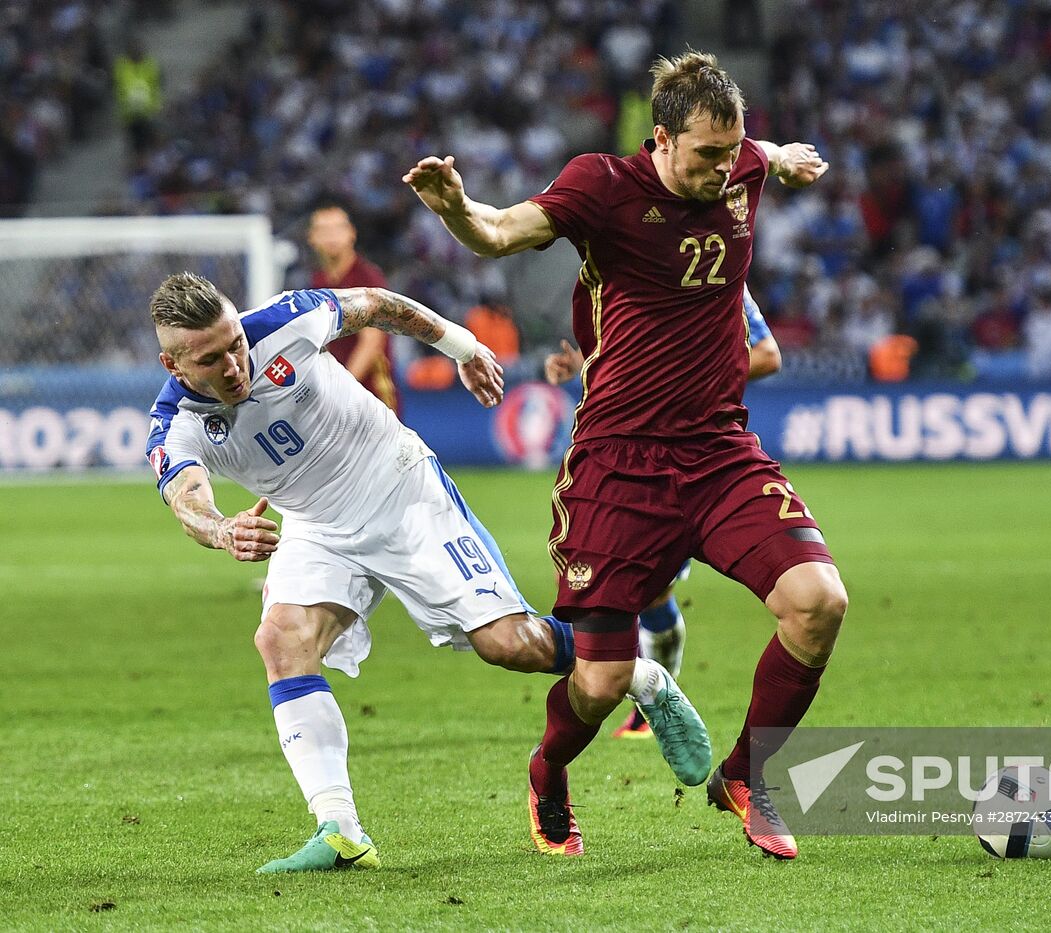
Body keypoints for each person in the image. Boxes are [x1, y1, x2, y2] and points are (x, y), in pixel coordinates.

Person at [405, 50, 847, 860]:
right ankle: (548, 767)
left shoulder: (740, 166)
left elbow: (762, 155)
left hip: (720, 453)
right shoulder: (602, 186)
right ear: (662, 139)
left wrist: (785, 158)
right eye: (708, 154)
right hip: (619, 465)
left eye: (734, 151)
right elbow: (500, 232)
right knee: (604, 680)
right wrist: (457, 209)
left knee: (819, 601)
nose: (725, 169)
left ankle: (747, 773)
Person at [144, 272, 704, 872]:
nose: (234, 364)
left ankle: (640, 675)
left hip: (399, 487)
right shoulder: (174, 423)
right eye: (211, 359)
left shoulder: (285, 322)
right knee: (281, 640)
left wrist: (463, 347)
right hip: (316, 525)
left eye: (235, 343)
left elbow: (377, 306)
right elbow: (187, 499)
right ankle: (340, 830)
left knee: (509, 645)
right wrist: (222, 530)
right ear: (173, 365)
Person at [543, 284, 782, 739]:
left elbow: (768, 355)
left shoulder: (719, 274)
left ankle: (646, 708)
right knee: (636, 592)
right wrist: (586, 367)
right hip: (626, 456)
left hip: (692, 453)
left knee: (649, 591)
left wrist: (684, 380)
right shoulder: (636, 274)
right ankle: (644, 696)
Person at [307, 201, 400, 414]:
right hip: (337, 393)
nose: (332, 236)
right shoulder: (318, 281)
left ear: (351, 233)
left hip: (372, 392)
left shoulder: (367, 279)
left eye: (338, 228)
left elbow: (371, 342)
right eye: (324, 230)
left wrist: (341, 389)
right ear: (312, 237)